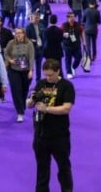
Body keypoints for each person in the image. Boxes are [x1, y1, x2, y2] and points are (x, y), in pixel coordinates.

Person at [27, 59, 76, 192]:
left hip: (59, 135)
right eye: (46, 75)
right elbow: (29, 105)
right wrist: (31, 100)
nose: (48, 78)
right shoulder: (41, 84)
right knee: (42, 169)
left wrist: (47, 109)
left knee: (64, 167)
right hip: (40, 135)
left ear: (58, 71)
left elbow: (66, 108)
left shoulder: (66, 86)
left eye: (51, 75)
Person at [5, 27, 35, 123]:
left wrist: (31, 70)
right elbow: (6, 54)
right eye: (16, 33)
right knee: (16, 90)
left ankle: (22, 105)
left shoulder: (29, 44)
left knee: (24, 90)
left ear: (24, 34)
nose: (18, 35)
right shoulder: (11, 43)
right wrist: (10, 60)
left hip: (26, 70)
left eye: (20, 33)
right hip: (14, 70)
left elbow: (31, 57)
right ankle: (20, 112)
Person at [61, 12, 85, 79]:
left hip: (76, 45)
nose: (72, 18)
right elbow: (59, 33)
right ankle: (69, 72)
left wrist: (84, 41)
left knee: (79, 57)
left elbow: (82, 32)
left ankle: (73, 67)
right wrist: (63, 35)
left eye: (73, 16)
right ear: (67, 18)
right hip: (67, 45)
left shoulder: (78, 25)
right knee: (68, 59)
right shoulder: (63, 25)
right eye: (71, 17)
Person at [26, 12, 46, 81]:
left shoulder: (41, 25)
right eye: (34, 18)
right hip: (32, 50)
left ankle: (38, 81)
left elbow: (44, 37)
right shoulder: (28, 27)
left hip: (40, 49)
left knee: (39, 67)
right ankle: (29, 81)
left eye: (37, 18)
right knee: (30, 67)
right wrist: (31, 40)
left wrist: (43, 46)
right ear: (32, 18)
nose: (36, 19)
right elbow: (25, 38)